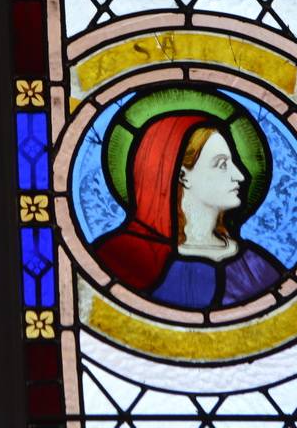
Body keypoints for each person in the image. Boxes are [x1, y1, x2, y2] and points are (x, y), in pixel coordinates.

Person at [93, 114, 283, 309]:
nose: (240, 176)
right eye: (222, 164)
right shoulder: (124, 259)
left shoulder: (254, 265)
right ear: (183, 176)